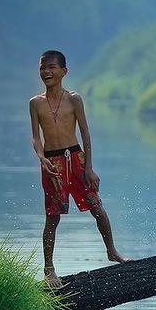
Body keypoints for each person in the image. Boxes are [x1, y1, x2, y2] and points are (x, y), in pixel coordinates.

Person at [29, 50, 130, 287]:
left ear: (64, 71)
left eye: (52, 67)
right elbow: (36, 137)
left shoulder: (74, 99)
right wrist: (41, 157)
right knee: (52, 218)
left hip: (76, 158)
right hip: (52, 163)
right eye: (43, 67)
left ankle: (112, 252)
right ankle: (49, 270)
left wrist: (89, 167)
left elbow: (85, 132)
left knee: (97, 208)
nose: (46, 72)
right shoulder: (35, 103)